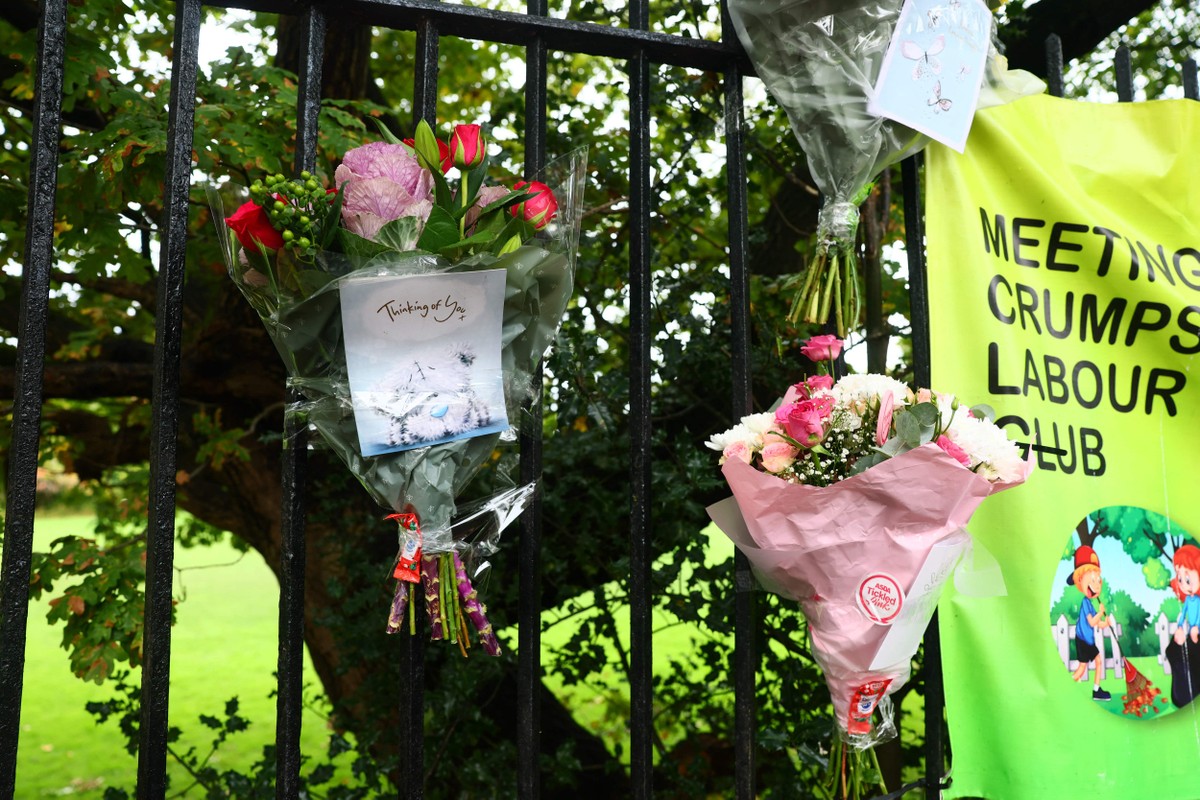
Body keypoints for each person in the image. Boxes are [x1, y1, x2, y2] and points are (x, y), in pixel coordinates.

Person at [1068, 545, 1111, 701]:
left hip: (1089, 641)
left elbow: (1098, 624)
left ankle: (1096, 690)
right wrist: (1100, 613)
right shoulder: (1085, 603)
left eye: (1098, 580)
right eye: (1092, 580)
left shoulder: (1090, 604)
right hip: (1083, 641)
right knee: (1082, 668)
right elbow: (1092, 622)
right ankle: (1068, 687)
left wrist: (1106, 623)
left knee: (1097, 662)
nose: (1097, 585)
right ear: (1080, 580)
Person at [1165, 544, 1200, 709]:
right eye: (1180, 579)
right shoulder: (1188, 602)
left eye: (1187, 578)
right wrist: (1179, 640)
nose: (1184, 584)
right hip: (1185, 698)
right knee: (1176, 650)